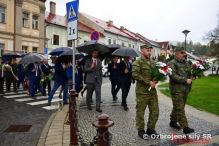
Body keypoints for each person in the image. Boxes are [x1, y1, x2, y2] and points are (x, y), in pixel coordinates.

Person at [132, 44, 159, 139]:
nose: (149, 52)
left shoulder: (153, 62)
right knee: (140, 112)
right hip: (142, 92)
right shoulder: (137, 62)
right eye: (147, 50)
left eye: (150, 50)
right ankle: (141, 130)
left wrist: (156, 80)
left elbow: (157, 73)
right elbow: (135, 74)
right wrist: (148, 82)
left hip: (152, 92)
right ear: (142, 51)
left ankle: (151, 129)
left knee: (155, 111)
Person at [168, 47, 194, 134]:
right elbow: (173, 76)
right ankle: (185, 127)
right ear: (177, 53)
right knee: (180, 108)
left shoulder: (186, 63)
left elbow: (190, 72)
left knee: (179, 106)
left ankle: (172, 121)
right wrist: (185, 80)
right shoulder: (171, 63)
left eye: (184, 53)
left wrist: (193, 75)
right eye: (182, 53)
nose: (184, 54)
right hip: (176, 90)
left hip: (185, 89)